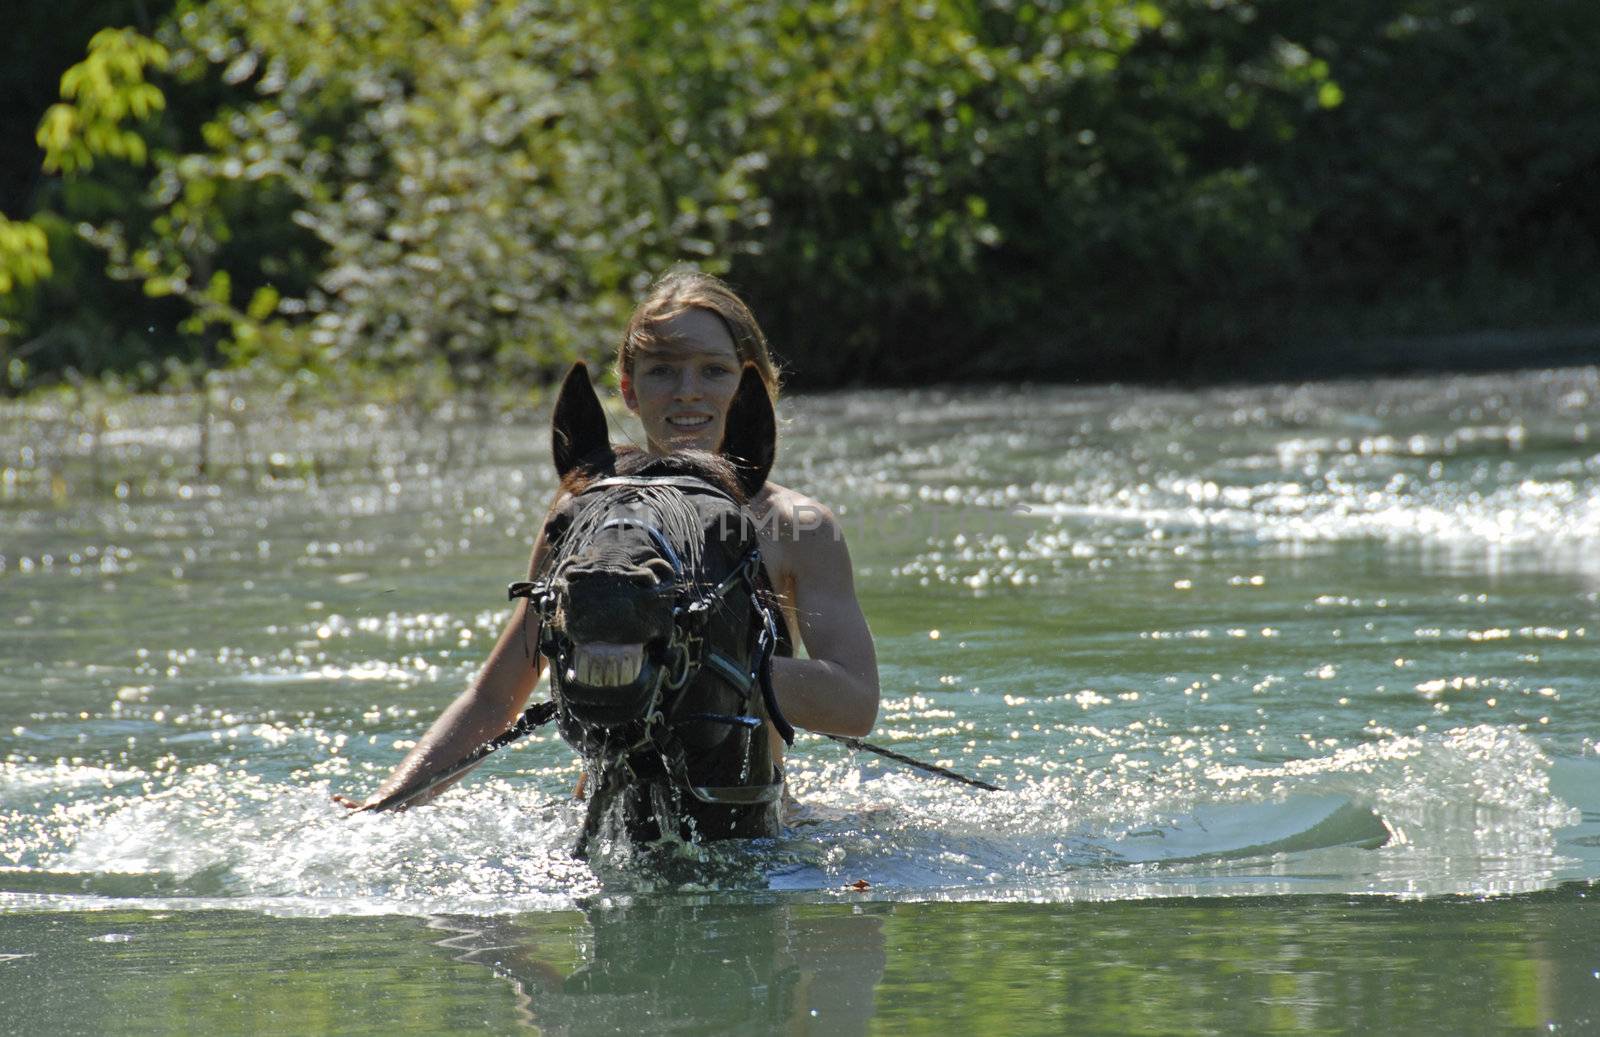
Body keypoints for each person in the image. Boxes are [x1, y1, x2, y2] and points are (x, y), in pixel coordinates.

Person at [338, 269, 879, 810]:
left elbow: (855, 703)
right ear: (629, 390)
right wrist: (384, 808)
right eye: (662, 371)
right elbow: (495, 698)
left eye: (713, 370)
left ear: (751, 388)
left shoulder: (797, 525)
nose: (688, 392)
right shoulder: (585, 518)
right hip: (601, 824)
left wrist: (702, 656)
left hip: (748, 817)